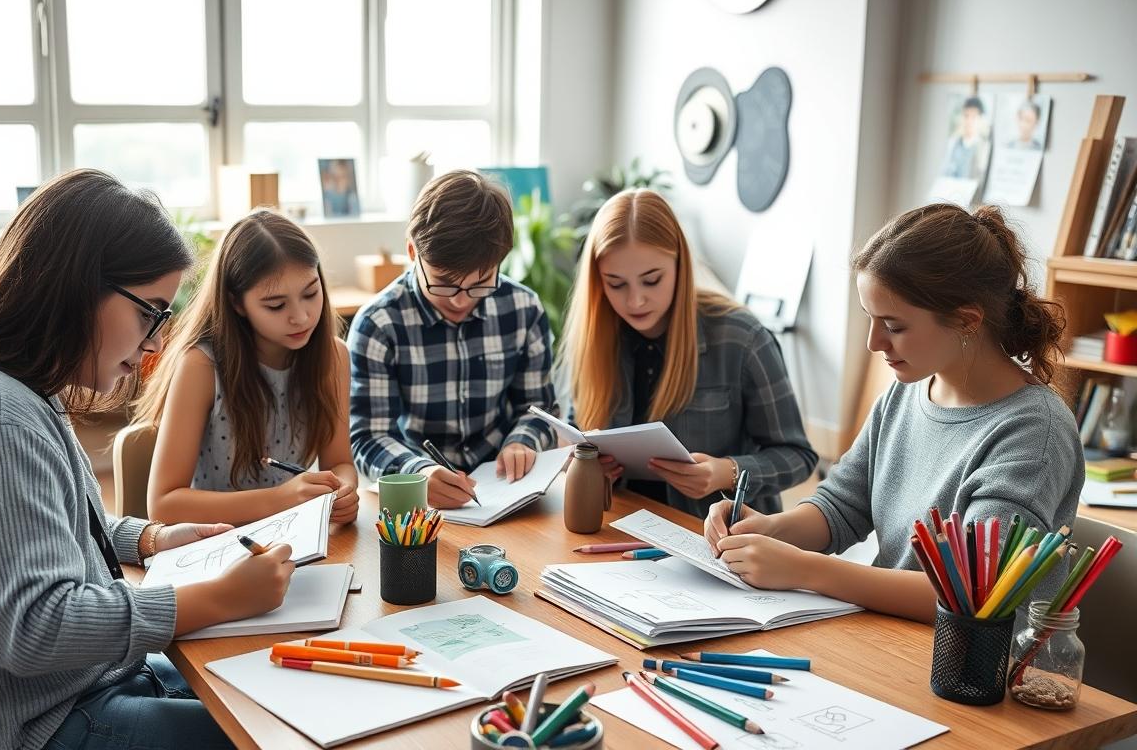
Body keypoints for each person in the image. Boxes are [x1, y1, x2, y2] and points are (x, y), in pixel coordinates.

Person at [0, 169, 295, 749]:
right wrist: (222, 597)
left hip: (69, 693)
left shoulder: (8, 389)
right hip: (32, 727)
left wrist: (150, 539)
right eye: (150, 312)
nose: (155, 342)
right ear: (79, 289)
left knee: (266, 687)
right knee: (271, 733)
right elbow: (34, 630)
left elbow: (41, 532)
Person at [704, 203, 1082, 622]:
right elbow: (843, 506)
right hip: (890, 636)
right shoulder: (905, 395)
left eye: (894, 326)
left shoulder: (1033, 432)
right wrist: (769, 530)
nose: (873, 343)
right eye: (870, 319)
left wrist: (805, 568)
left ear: (967, 321)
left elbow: (971, 596)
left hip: (976, 670)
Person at [558, 189, 815, 518]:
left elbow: (799, 457)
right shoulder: (595, 335)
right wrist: (580, 461)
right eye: (616, 284)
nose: (635, 301)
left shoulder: (741, 338)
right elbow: (574, 431)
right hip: (618, 523)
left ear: (681, 265)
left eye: (652, 280)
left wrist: (726, 472)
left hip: (713, 537)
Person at [348, 169, 557, 508]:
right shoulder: (379, 323)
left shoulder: (523, 308)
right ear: (413, 253)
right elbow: (369, 437)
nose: (461, 299)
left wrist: (523, 441)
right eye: (444, 282)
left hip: (505, 492)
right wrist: (419, 473)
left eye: (481, 282)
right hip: (417, 505)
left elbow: (539, 407)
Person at [136, 209, 359, 527]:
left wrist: (344, 490)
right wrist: (282, 498)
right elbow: (164, 504)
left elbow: (340, 463)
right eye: (276, 305)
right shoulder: (202, 366)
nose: (301, 316)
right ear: (237, 303)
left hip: (295, 537)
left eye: (310, 293)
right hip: (218, 544)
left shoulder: (333, 357)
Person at [941, 96, 990, 179]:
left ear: (980, 119)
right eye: (966, 116)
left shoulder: (984, 148)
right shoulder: (952, 144)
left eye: (974, 117)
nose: (969, 121)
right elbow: (944, 172)